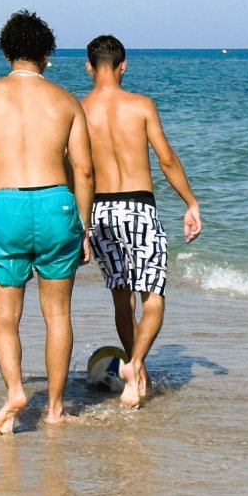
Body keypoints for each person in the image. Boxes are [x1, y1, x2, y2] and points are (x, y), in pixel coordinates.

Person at [0, 10, 94, 434]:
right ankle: (54, 408)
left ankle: (16, 390)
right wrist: (84, 228)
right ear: (48, 53)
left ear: (5, 51)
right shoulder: (66, 101)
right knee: (57, 315)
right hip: (57, 205)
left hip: (6, 205)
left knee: (4, 316)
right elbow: (85, 171)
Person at [82, 35, 201, 409]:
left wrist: (80, 224)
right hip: (139, 208)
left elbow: (78, 171)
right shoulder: (141, 105)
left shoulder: (77, 110)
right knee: (153, 300)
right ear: (124, 65)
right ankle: (134, 366)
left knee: (122, 298)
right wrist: (190, 202)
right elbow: (166, 159)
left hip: (100, 211)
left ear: (88, 66)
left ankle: (137, 373)